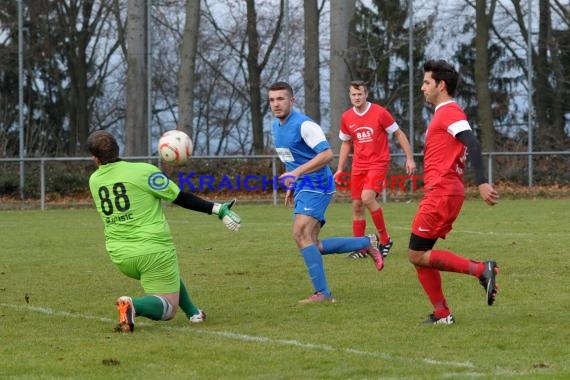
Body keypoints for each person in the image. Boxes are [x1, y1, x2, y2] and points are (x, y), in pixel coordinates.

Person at [87, 130, 242, 332]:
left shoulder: (94, 180)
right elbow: (180, 197)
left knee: (168, 276)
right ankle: (132, 305)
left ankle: (194, 312)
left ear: (95, 158)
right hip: (153, 250)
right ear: (117, 149)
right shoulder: (143, 171)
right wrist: (218, 209)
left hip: (120, 255)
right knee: (168, 309)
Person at [267, 81, 384, 304]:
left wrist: (298, 173)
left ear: (292, 100)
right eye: (272, 100)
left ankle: (323, 293)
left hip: (318, 183)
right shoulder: (275, 127)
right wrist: (293, 183)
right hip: (303, 184)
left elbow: (327, 154)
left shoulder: (304, 125)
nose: (276, 104)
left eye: (281, 99)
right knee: (312, 243)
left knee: (300, 234)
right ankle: (365, 243)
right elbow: (292, 158)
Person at [409, 59, 500, 325]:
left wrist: (482, 181)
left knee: (416, 254)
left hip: (442, 193)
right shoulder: (442, 113)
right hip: (443, 192)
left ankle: (481, 270)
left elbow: (472, 142)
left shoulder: (449, 112)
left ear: (441, 85)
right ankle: (442, 314)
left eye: (427, 82)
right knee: (420, 257)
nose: (423, 87)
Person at [335, 80, 416, 259]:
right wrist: (340, 168)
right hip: (358, 166)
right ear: (350, 96)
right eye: (353, 94)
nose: (357, 97)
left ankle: (385, 239)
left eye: (360, 94)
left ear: (366, 94)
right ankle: (361, 248)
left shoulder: (379, 112)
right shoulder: (347, 117)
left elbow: (398, 133)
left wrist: (409, 158)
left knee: (367, 197)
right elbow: (346, 143)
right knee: (356, 205)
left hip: (378, 163)